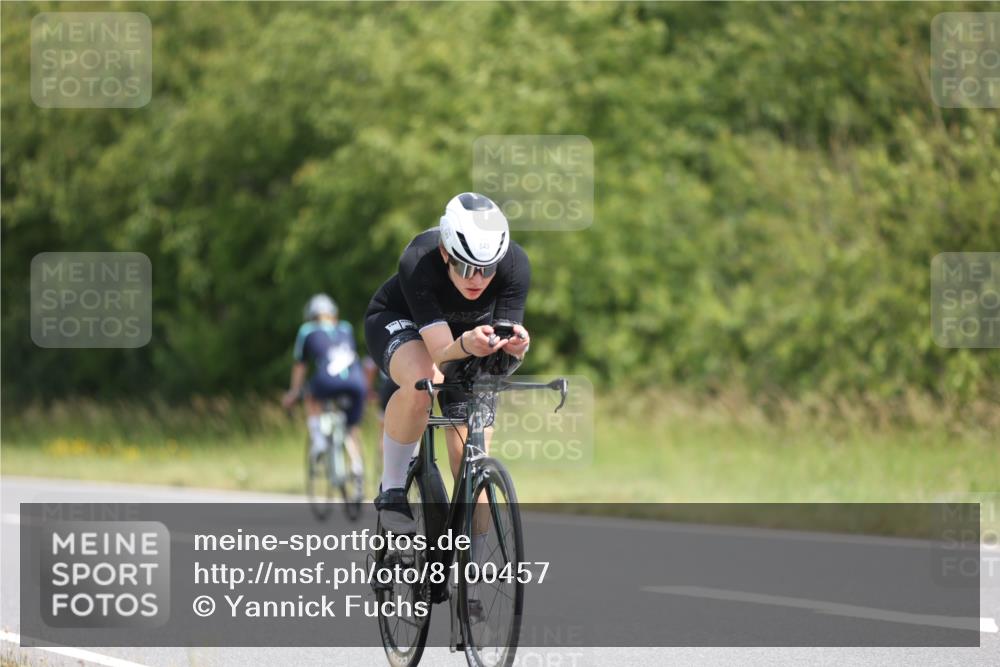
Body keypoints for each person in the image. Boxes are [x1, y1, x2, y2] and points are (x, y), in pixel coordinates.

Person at [364, 192, 531, 534]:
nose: (478, 280)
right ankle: (392, 487)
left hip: (465, 337)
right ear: (445, 253)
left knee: (471, 473)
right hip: (402, 321)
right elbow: (440, 351)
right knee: (424, 381)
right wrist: (468, 342)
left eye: (487, 269)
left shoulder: (515, 264)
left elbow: (498, 360)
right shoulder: (419, 259)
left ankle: (462, 572)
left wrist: (515, 349)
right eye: (466, 267)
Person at [283, 294, 366, 476]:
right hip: (357, 382)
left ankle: (318, 439)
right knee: (350, 427)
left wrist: (294, 392)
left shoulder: (307, 330)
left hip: (327, 381)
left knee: (310, 396)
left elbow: (300, 365)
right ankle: (356, 464)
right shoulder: (346, 328)